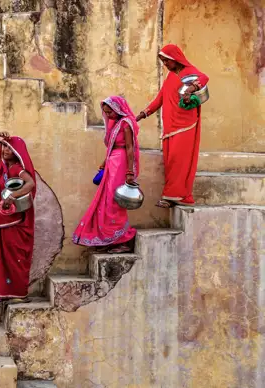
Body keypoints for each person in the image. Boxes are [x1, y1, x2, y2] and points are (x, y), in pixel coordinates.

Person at [137, 44, 209, 207]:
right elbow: (159, 99)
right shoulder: (170, 77)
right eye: (163, 62)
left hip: (185, 125)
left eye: (167, 61)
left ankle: (170, 196)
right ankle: (179, 196)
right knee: (170, 162)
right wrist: (141, 115)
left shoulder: (189, 72)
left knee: (179, 161)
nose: (165, 65)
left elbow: (204, 78)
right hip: (170, 127)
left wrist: (191, 88)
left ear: (175, 59)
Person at [73, 96, 140, 253]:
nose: (108, 115)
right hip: (113, 162)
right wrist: (105, 161)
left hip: (122, 163)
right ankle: (109, 239)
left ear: (118, 109)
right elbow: (112, 145)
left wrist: (130, 172)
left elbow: (130, 148)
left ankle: (123, 240)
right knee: (106, 201)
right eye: (105, 112)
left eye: (110, 112)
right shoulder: (115, 124)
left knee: (114, 202)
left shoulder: (125, 124)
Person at [0, 132, 36, 306]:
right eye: (4, 148)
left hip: (15, 219)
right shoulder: (2, 164)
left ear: (17, 152)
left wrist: (12, 196)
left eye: (10, 149)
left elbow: (30, 183)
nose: (5, 151)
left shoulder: (17, 169)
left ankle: (18, 293)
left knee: (14, 256)